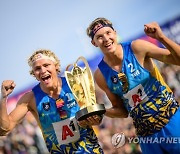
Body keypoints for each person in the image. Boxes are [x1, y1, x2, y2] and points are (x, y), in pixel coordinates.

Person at [86, 17, 180, 153]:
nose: (106, 39)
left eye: (108, 33)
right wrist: (101, 110)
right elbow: (122, 111)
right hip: (146, 136)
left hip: (171, 121)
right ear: (94, 43)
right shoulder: (100, 75)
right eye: (99, 37)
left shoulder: (137, 48)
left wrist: (161, 37)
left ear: (115, 33)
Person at [0, 49, 104, 154]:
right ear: (34, 74)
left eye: (46, 65)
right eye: (37, 68)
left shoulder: (73, 84)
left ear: (56, 66)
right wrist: (3, 97)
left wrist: (95, 119)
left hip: (91, 150)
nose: (43, 71)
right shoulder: (30, 99)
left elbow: (95, 115)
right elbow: (5, 129)